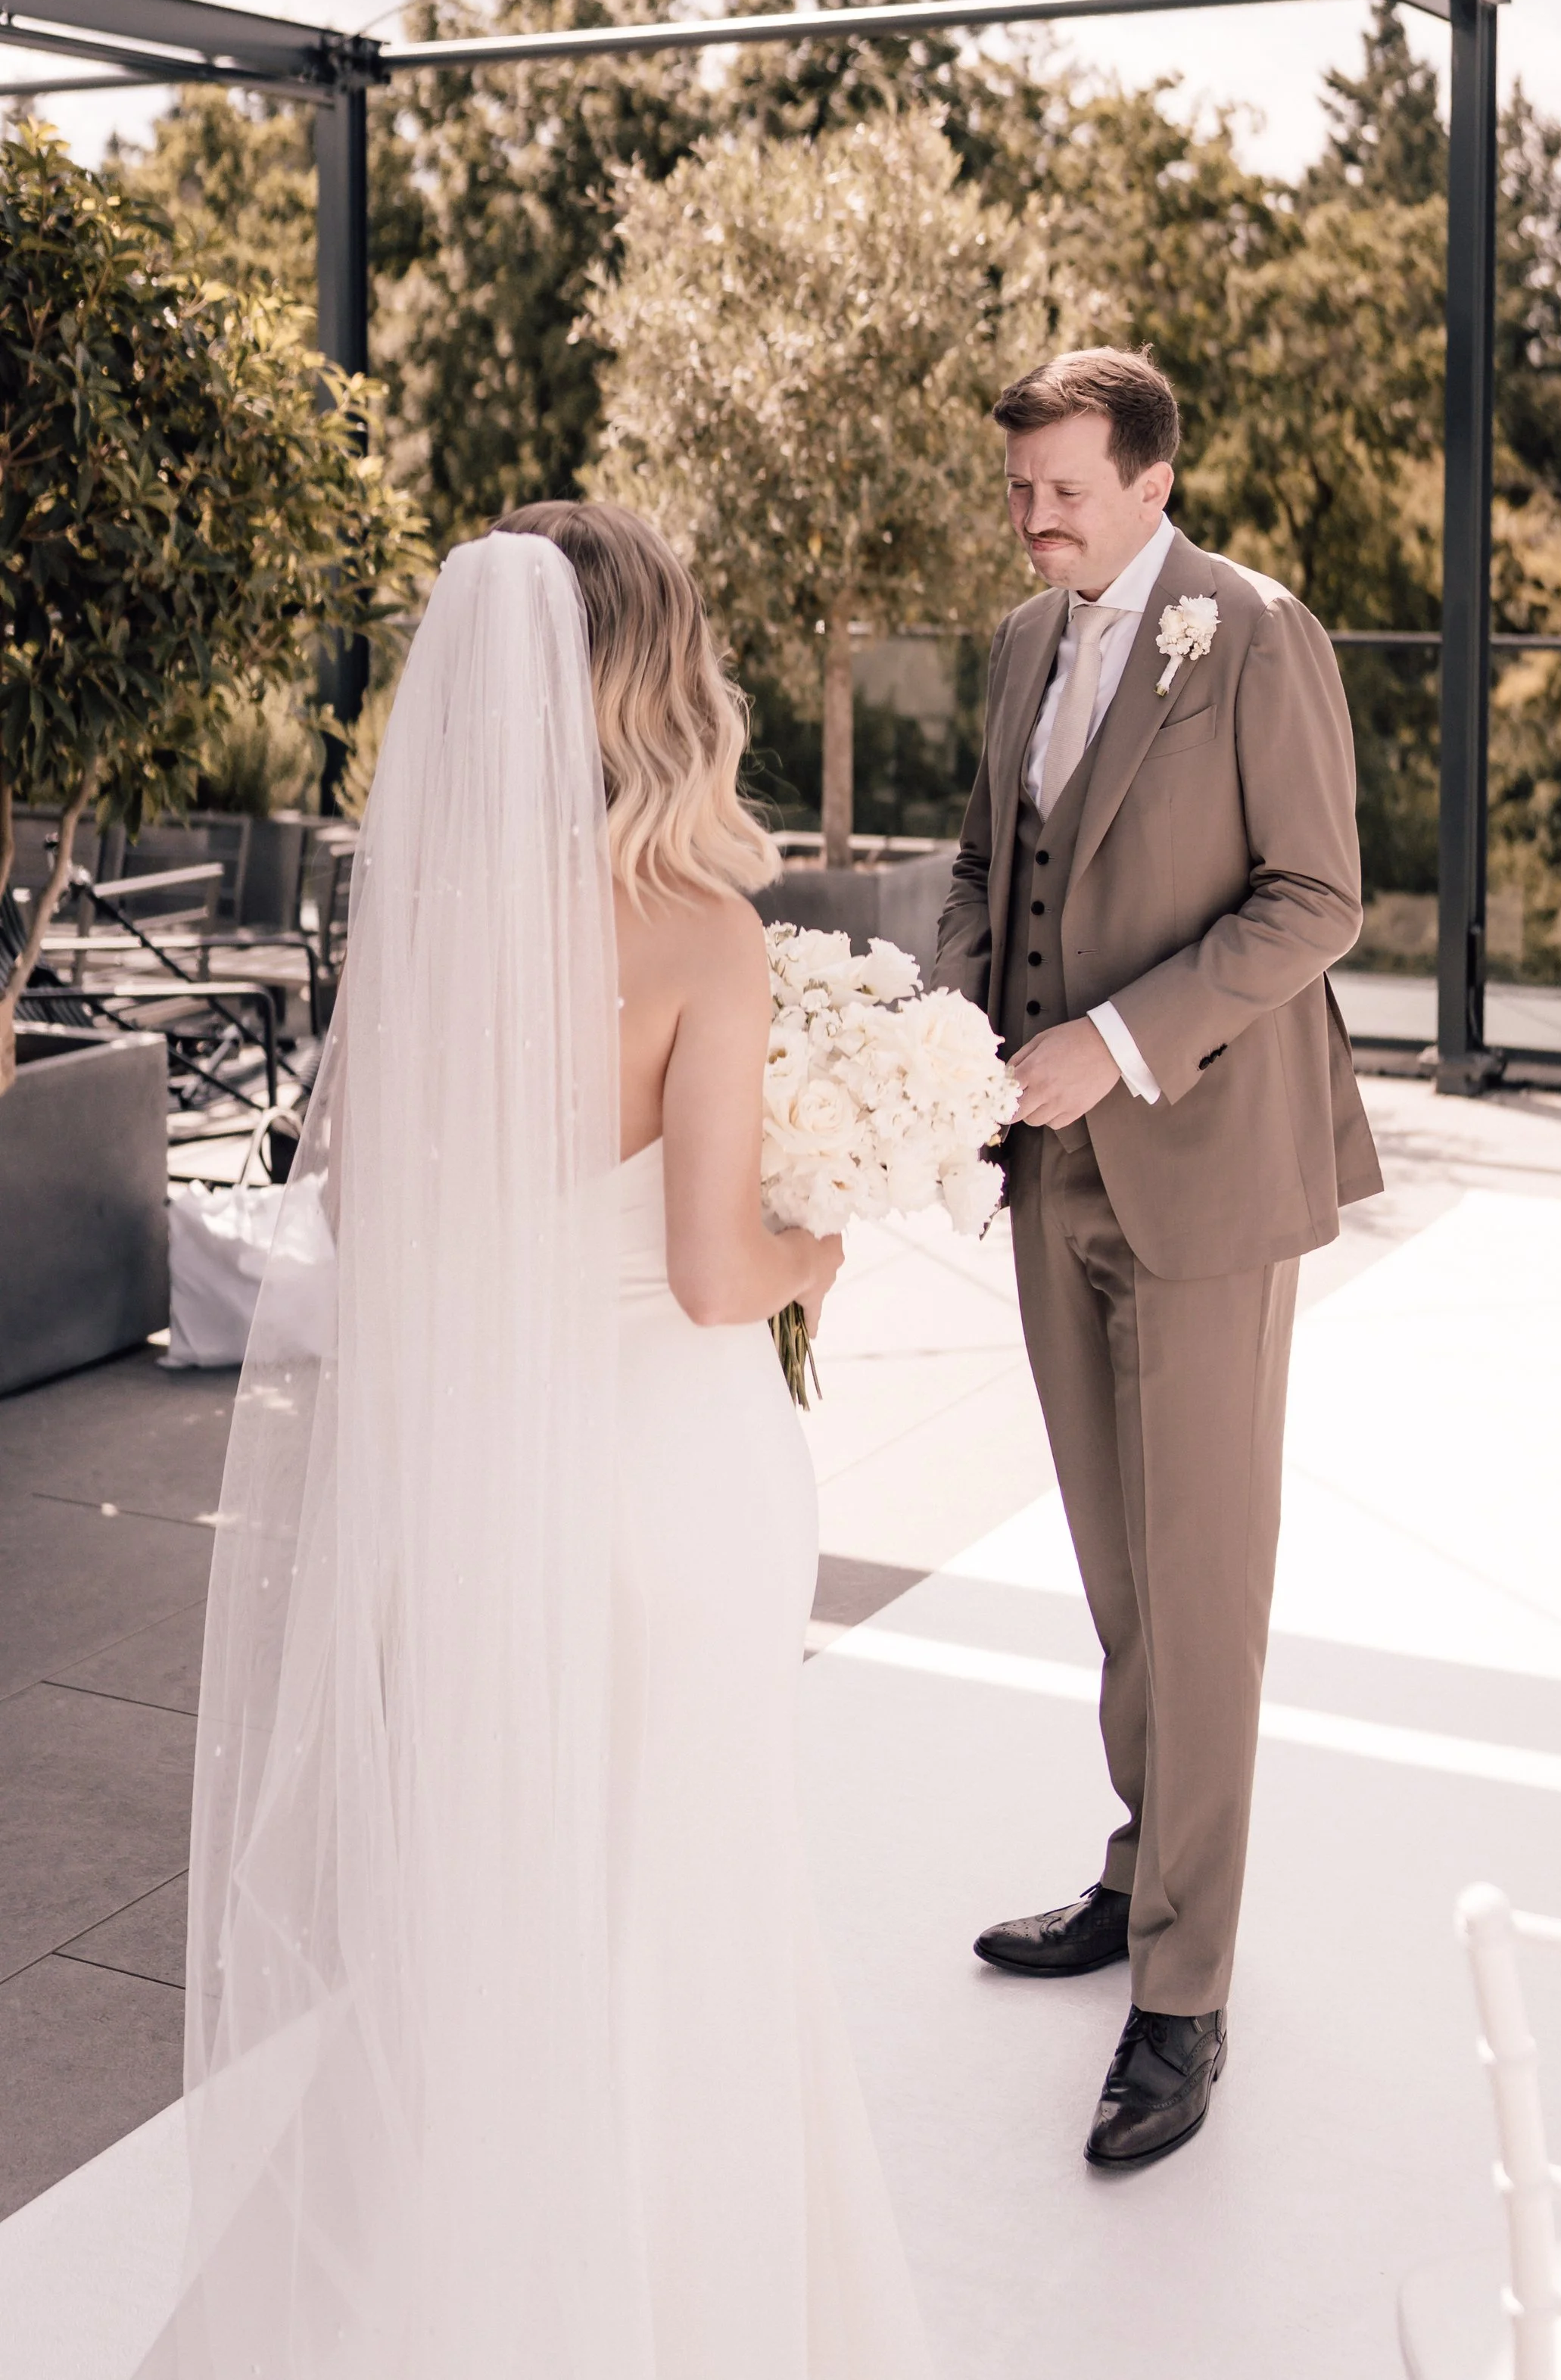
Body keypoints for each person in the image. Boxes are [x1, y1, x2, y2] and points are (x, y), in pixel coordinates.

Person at [142, 509, 932, 2378]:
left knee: (502, 1919)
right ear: (659, 684)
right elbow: (718, 1274)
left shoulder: (423, 940)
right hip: (668, 1498)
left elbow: (369, 1231)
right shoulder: (703, 934)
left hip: (483, 1502)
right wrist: (831, 1222)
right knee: (683, 1904)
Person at [933, 347, 1382, 2171]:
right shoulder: (1019, 646)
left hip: (1201, 1164)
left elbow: (1317, 898)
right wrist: (961, 1026)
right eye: (1020, 485)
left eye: (1059, 486)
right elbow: (981, 868)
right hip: (1048, 1178)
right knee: (1120, 1575)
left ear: (1147, 477)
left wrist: (1109, 1043)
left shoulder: (1253, 633)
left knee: (1204, 1586)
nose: (1031, 514)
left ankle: (1184, 1998)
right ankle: (1142, 1875)